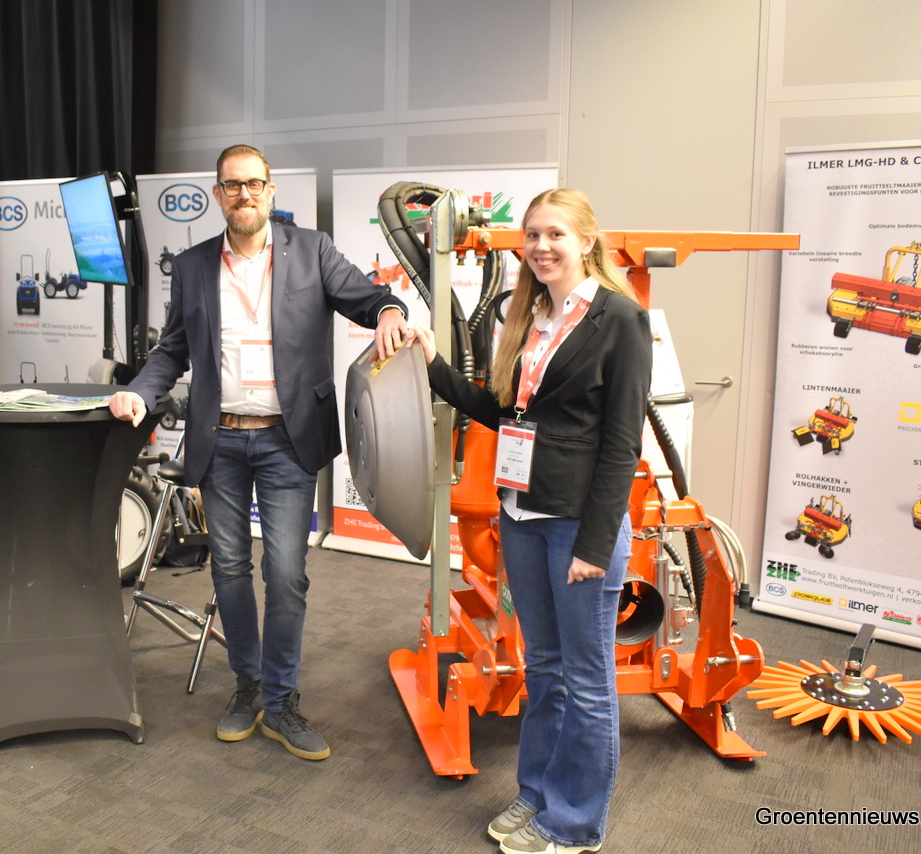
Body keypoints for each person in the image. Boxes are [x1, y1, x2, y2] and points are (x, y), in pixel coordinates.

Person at [108, 144, 408, 761]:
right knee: (228, 568)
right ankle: (248, 686)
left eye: (253, 184)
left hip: (286, 439)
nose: (243, 194)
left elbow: (366, 295)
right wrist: (139, 390)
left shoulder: (312, 251)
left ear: (270, 191)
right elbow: (173, 348)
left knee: (286, 573)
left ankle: (282, 699)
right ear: (218, 195)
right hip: (219, 439)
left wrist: (388, 311)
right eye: (232, 185)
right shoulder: (192, 265)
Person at [405, 188, 652, 853]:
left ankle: (575, 823)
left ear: (587, 241)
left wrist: (595, 544)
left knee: (587, 681)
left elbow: (622, 445)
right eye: (532, 236)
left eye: (555, 235)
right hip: (521, 514)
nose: (541, 247)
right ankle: (537, 794)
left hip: (577, 526)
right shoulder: (532, 315)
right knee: (542, 667)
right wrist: (432, 363)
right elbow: (503, 413)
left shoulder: (620, 319)